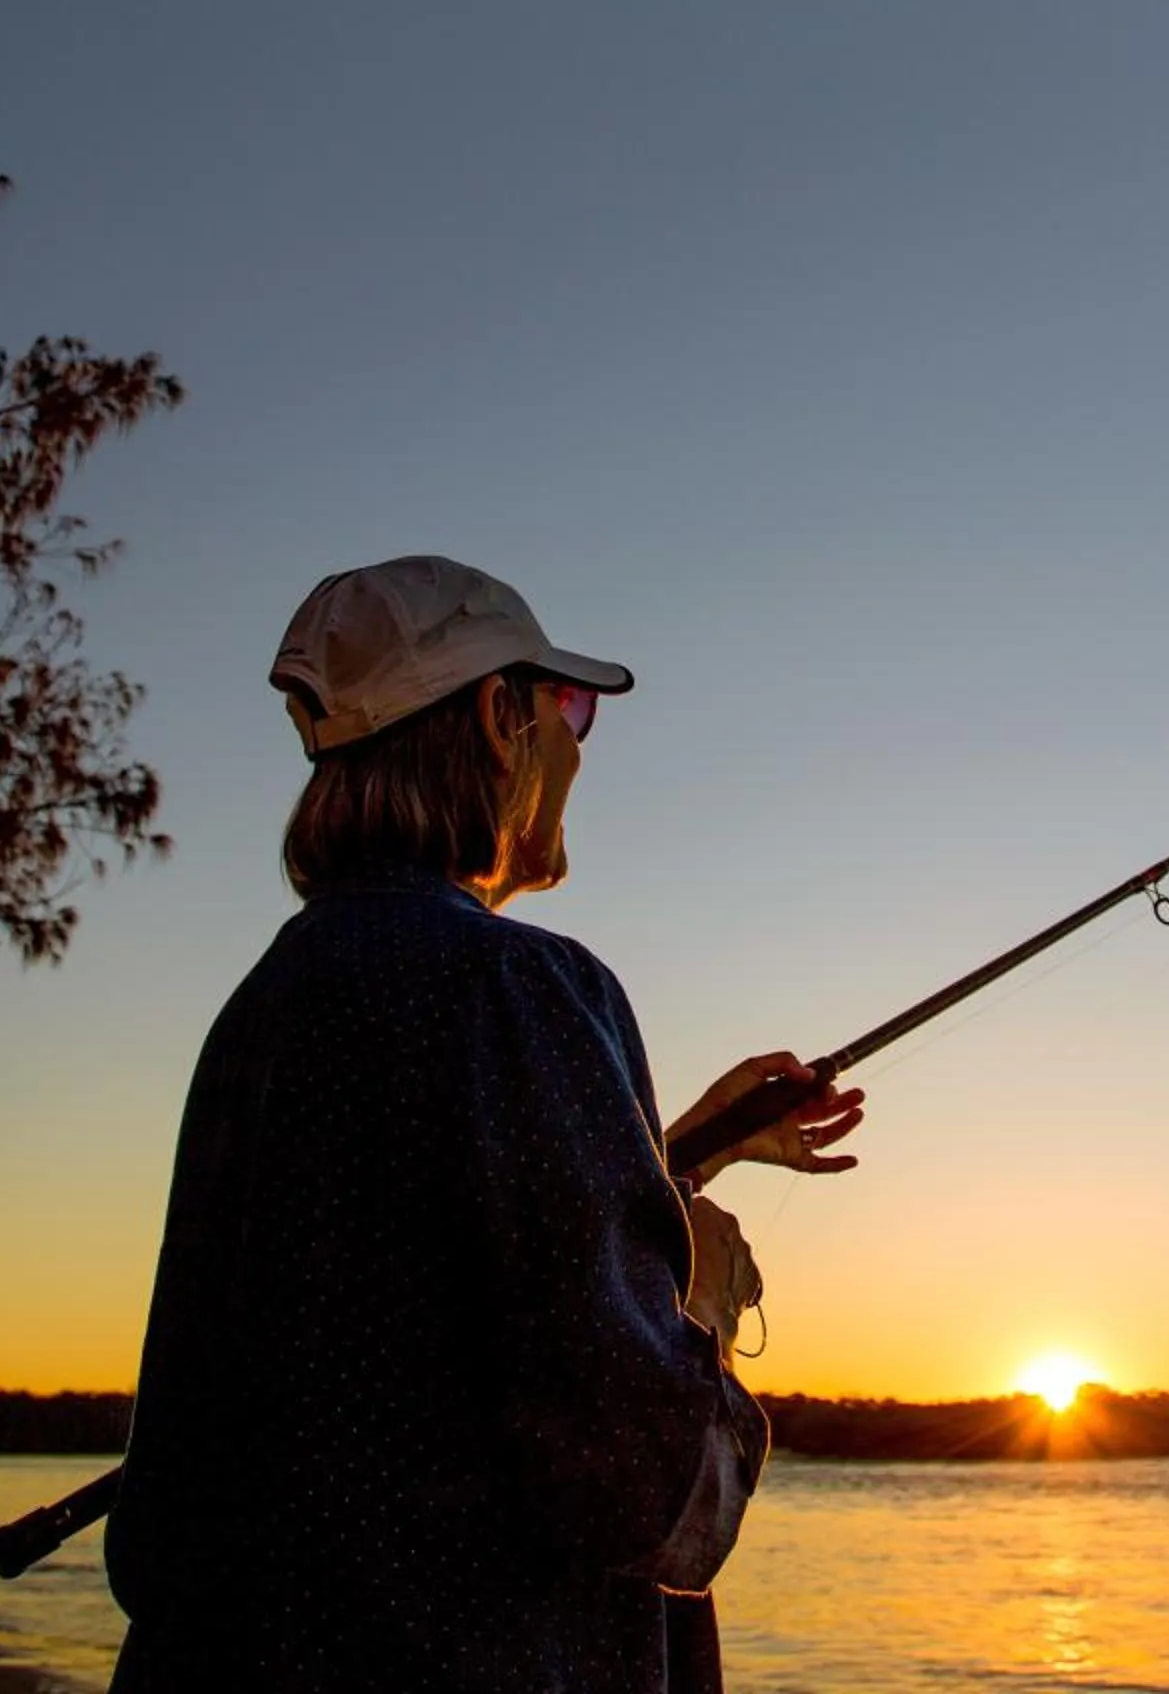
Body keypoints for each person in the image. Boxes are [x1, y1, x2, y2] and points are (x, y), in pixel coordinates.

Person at [106, 554, 863, 1690]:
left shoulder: (265, 1007)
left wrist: (668, 1155)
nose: (575, 743)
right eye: (569, 707)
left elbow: (404, 1302)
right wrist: (699, 1292)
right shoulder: (522, 986)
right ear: (498, 717)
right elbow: (644, 1496)